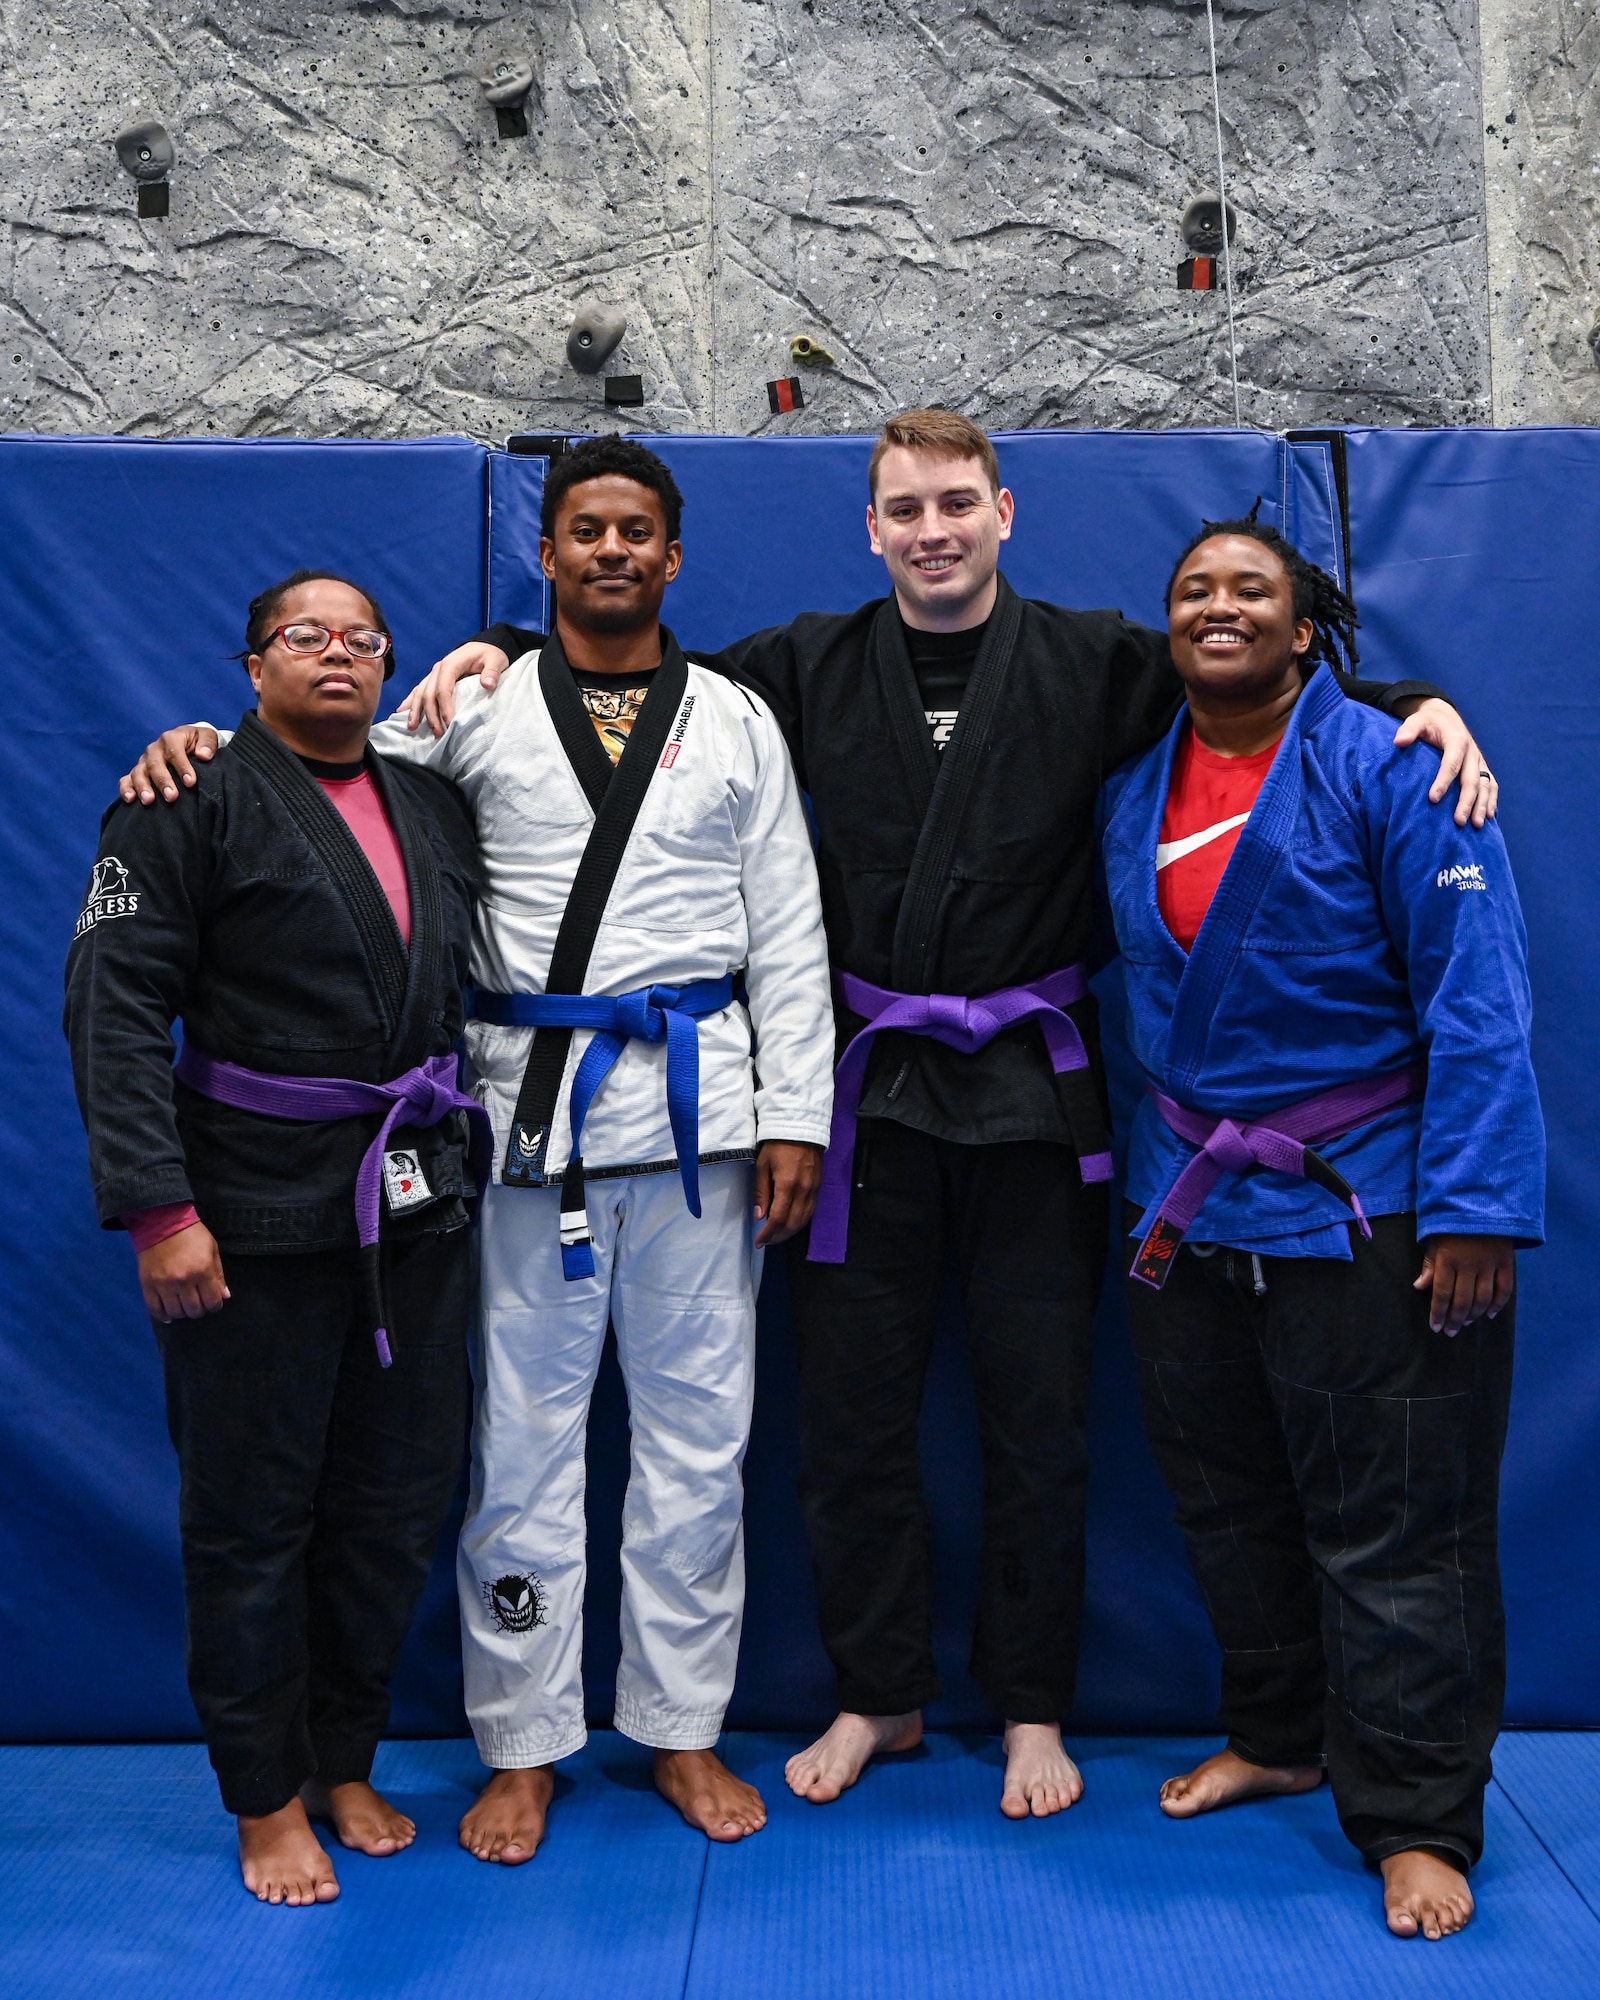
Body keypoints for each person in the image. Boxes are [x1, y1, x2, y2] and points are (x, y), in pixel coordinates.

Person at [128, 414, 1493, 1824]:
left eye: (957, 502)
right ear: (872, 527)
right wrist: (316, 713)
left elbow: (1237, 684)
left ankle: (860, 1716)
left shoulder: (1013, 673)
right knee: (681, 1437)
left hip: (892, 1108)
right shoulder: (683, 684)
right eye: (906, 506)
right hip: (698, 1115)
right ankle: (696, 1718)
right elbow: (460, 741)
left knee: (879, 1433)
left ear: (1003, 513)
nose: (933, 527)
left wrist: (1398, 699)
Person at [117, 438, 836, 1860]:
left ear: (672, 555)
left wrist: (797, 1116)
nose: (613, 550)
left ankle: (684, 1729)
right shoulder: (476, 704)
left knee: (703, 1443)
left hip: (702, 1124)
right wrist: (192, 747)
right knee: (519, 1449)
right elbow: (317, 770)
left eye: (637, 530)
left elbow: (791, 929)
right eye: (586, 530)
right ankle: (524, 1744)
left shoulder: (740, 719)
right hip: (521, 1132)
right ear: (550, 553)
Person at [1098, 517, 1541, 1940]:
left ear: (1307, 628)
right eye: (1193, 592)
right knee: (1228, 1499)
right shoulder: (1130, 784)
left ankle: (1417, 1818)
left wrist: (1475, 1205)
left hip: (1376, 1201)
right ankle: (1280, 1729)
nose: (1219, 608)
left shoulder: (1397, 765)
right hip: (1192, 1199)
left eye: (1253, 591)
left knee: (1399, 1526)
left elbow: (1477, 993)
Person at [66, 571, 486, 1906]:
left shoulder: (429, 798)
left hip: (412, 1195)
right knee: (252, 1517)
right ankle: (262, 1800)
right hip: (244, 1213)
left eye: (365, 640)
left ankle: (342, 1757)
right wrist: (160, 1210)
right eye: (307, 637)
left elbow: (569, 654)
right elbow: (115, 1007)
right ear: (252, 667)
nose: (340, 657)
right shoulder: (183, 796)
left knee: (392, 1502)